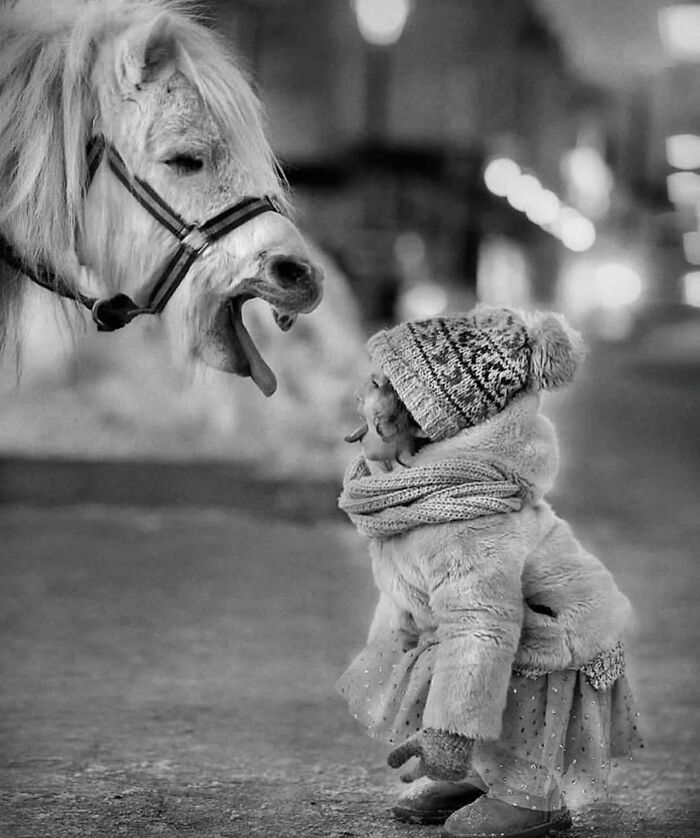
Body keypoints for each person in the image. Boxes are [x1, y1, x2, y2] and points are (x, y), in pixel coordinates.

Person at [337, 306, 642, 838]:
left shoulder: (468, 522)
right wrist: (405, 642)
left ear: (426, 423)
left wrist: (448, 734)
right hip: (490, 632)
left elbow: (483, 628)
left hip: (555, 643)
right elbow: (422, 594)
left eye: (380, 388)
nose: (361, 396)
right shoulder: (425, 492)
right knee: (445, 657)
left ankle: (531, 795)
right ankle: (483, 772)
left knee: (495, 662)